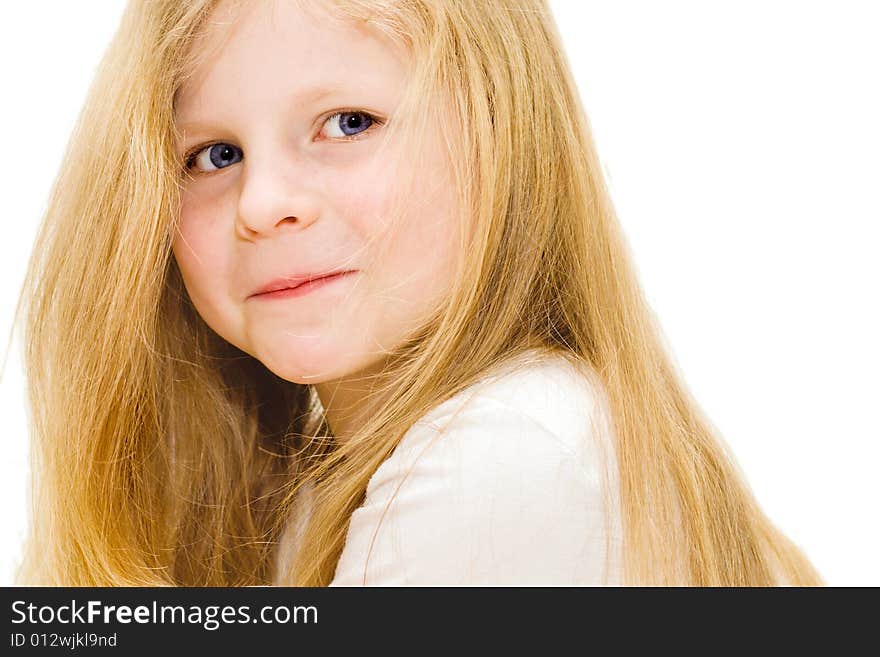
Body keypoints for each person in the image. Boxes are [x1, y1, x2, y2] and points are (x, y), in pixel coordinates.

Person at [12, 0, 822, 586]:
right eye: (216, 154)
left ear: (505, 132)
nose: (263, 204)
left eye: (350, 122)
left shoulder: (498, 458)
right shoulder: (321, 484)